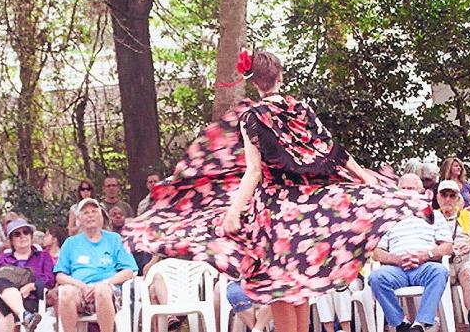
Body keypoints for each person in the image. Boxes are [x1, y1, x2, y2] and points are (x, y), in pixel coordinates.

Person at [122, 50, 432, 332]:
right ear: (280, 75)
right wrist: (365, 180)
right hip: (308, 215)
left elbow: (254, 171)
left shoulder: (253, 116)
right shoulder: (300, 108)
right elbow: (334, 151)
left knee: (283, 292)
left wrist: (232, 212)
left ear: (252, 81)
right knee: (298, 293)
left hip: (275, 217)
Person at [369, 173, 453, 332]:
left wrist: (424, 256)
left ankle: (420, 324)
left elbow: (447, 247)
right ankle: (400, 323)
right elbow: (376, 252)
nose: (407, 192)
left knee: (440, 271)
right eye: (403, 188)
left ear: (421, 191)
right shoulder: (388, 217)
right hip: (396, 269)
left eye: (411, 188)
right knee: (376, 277)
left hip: (425, 266)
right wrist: (397, 259)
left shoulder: (434, 215)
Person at [54, 198, 137, 332]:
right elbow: (60, 276)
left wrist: (105, 282)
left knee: (101, 290)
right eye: (85, 213)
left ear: (102, 216)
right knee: (65, 292)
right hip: (80, 291)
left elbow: (129, 271)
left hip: (109, 291)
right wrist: (80, 285)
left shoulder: (115, 239)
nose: (90, 215)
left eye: (94, 211)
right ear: (79, 220)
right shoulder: (70, 243)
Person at [0, 219, 55, 332]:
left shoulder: (42, 257)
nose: (22, 236)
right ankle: (25, 316)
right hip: (0, 297)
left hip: (29, 300)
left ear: (31, 236)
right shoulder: (2, 259)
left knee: (2, 305)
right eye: (17, 234)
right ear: (11, 240)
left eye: (26, 232)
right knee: (1, 283)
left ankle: (25, 315)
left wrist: (33, 286)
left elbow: (50, 279)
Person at [436, 179, 470, 331]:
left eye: (452, 196)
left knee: (468, 274)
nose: (447, 199)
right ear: (438, 198)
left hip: (463, 259)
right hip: (440, 262)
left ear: (458, 199)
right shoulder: (431, 217)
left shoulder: (467, 216)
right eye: (444, 195)